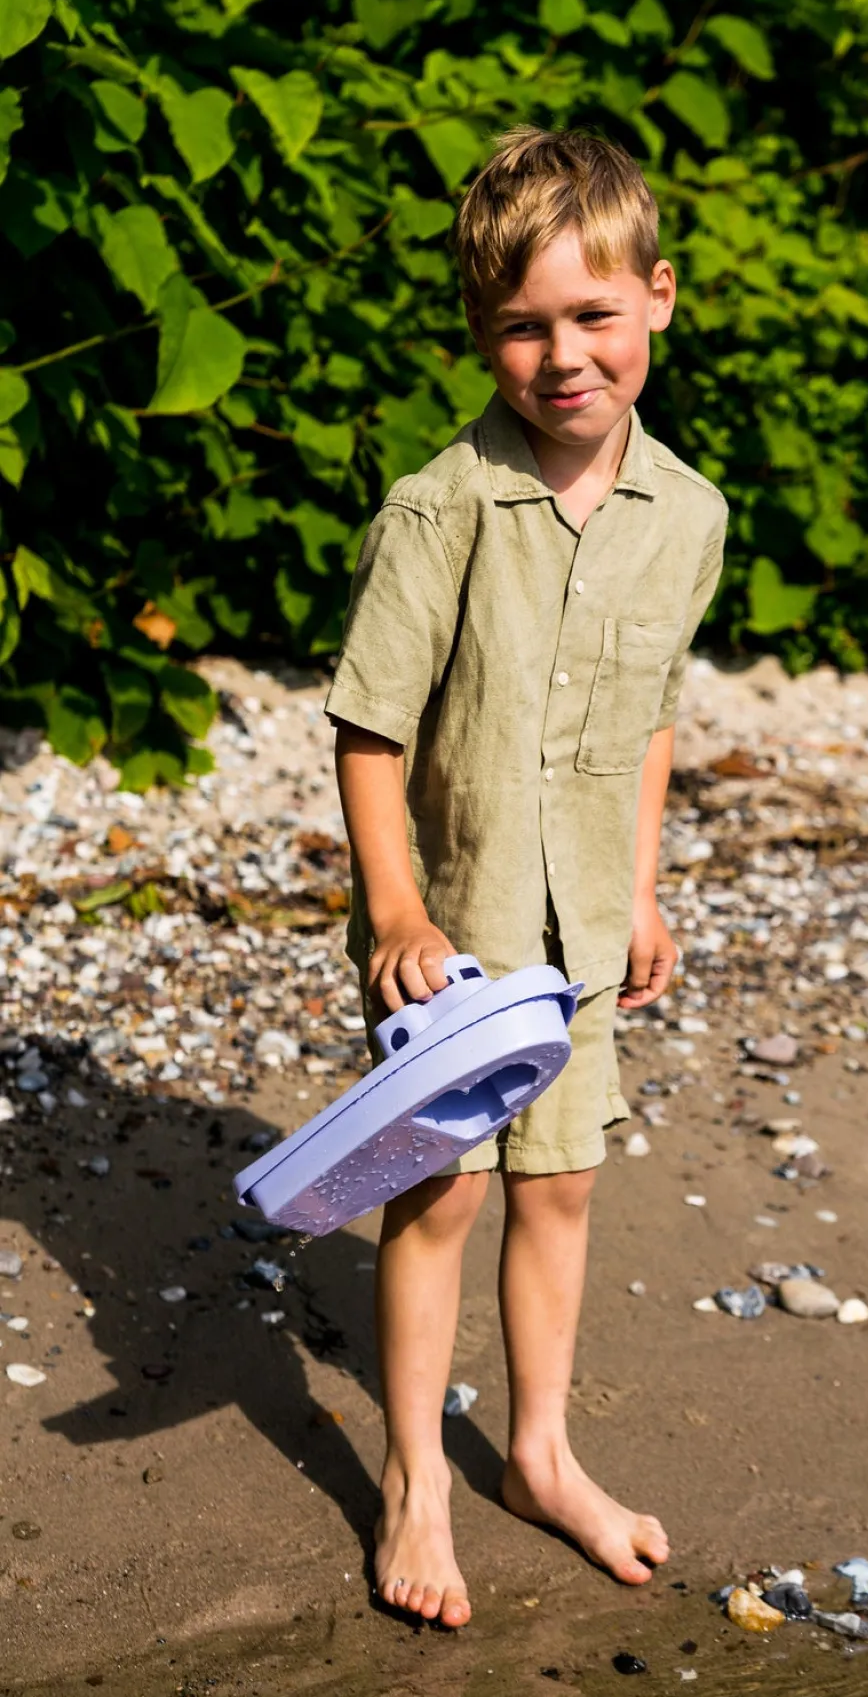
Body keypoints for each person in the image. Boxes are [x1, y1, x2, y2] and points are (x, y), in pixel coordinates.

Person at [325, 126, 727, 1630]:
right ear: (479, 330)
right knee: (438, 1193)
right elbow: (371, 727)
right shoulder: (438, 510)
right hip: (457, 927)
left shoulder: (689, 516)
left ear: (657, 298)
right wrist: (396, 911)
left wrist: (644, 886)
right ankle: (416, 1474)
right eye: (522, 325)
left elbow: (653, 715)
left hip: (587, 927)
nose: (564, 357)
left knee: (560, 1186)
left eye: (593, 315)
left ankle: (541, 1452)